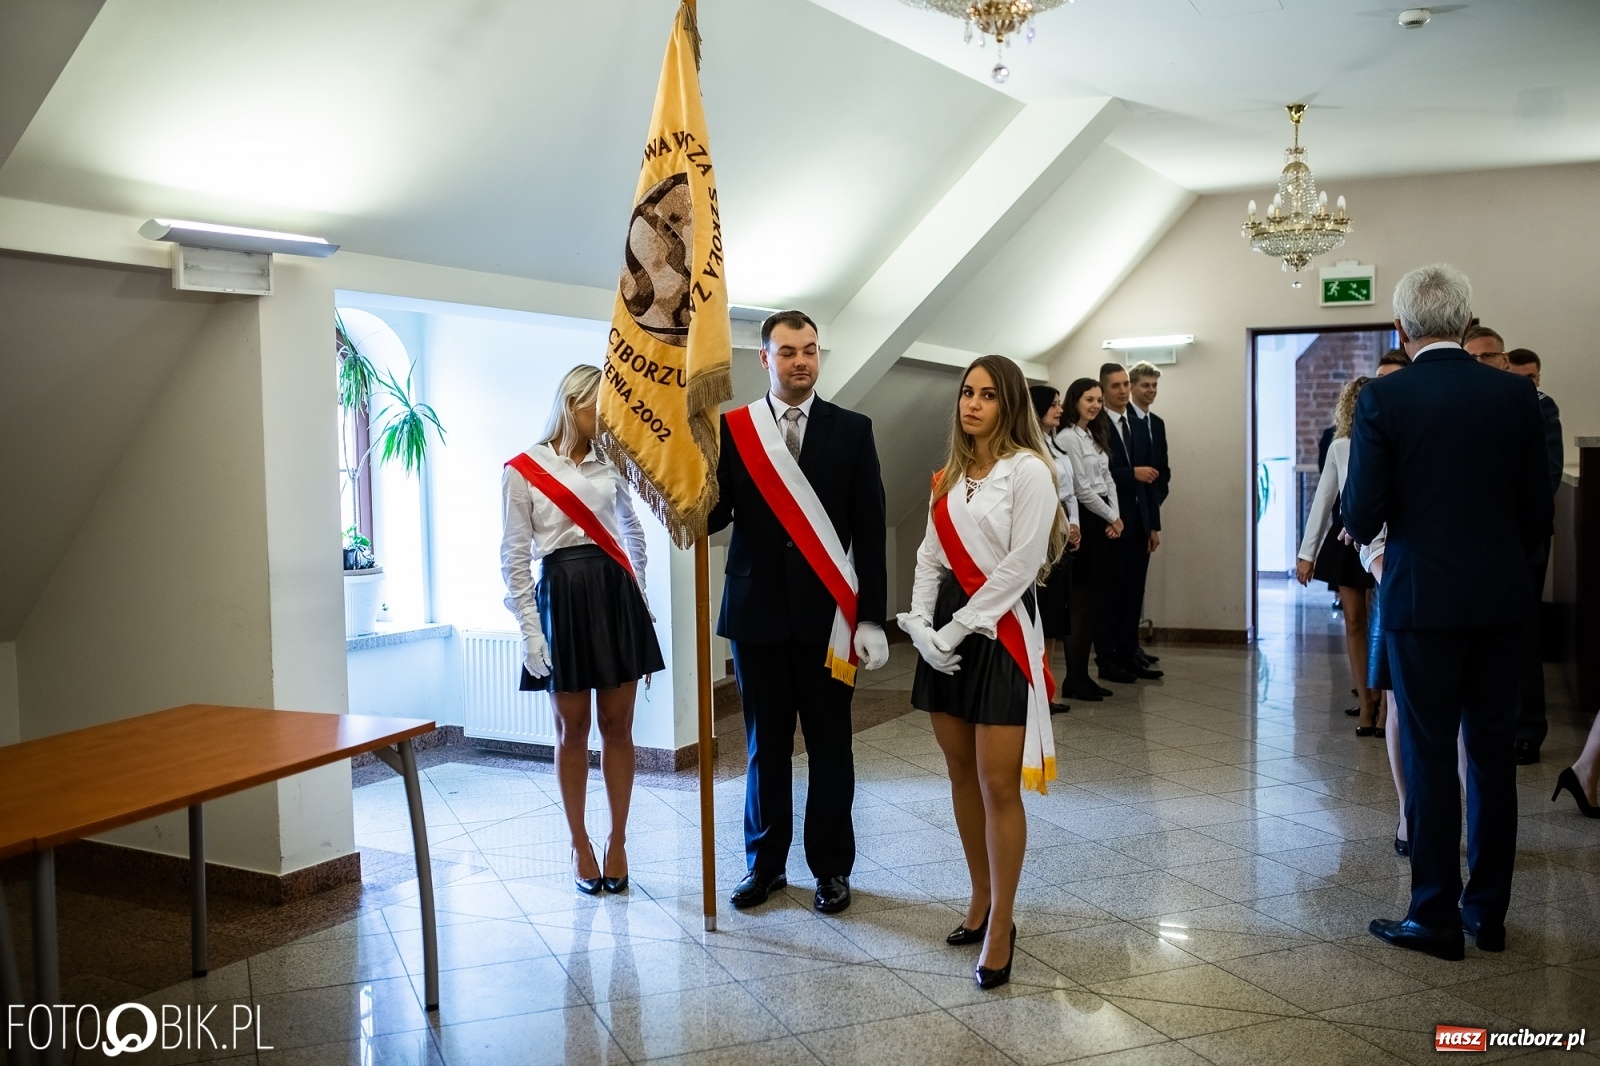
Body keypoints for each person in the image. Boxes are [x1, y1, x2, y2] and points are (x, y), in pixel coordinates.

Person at [1343, 264, 1551, 961]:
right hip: (1499, 598)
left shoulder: (1384, 400)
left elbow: (1363, 511)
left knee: (1429, 754)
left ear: (1400, 328)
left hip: (1420, 598)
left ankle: (1433, 914)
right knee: (1491, 757)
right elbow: (1536, 514)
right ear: (1468, 325)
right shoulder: (1516, 396)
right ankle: (1487, 912)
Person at [707, 309, 890, 915]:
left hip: (829, 620)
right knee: (764, 746)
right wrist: (679, 476)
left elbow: (869, 529)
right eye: (788, 352)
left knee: (832, 745)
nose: (802, 361)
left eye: (810, 350)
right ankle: (764, 865)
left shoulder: (852, 429)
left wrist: (870, 616)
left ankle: (832, 869)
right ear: (764, 359)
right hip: (756, 614)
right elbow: (714, 517)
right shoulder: (735, 430)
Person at [899, 354, 1067, 990]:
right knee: (960, 774)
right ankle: (980, 898)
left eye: (987, 395)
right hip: (946, 634)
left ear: (1010, 403)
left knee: (1000, 784)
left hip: (997, 632)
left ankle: (1004, 923)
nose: (972, 404)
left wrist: (955, 628)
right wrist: (920, 625)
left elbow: (1021, 564)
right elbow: (928, 557)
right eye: (966, 393)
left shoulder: (1030, 471)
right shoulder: (948, 476)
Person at [500, 364, 664, 895]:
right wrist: (530, 630)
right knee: (571, 731)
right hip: (563, 597)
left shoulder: (610, 463)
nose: (609, 418)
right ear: (573, 405)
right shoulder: (523, 470)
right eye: (601, 408)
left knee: (618, 728)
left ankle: (617, 840)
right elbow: (515, 556)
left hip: (612, 594)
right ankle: (580, 843)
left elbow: (632, 530)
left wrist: (638, 596)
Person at [1297, 378, 1381, 735]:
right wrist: (1306, 552)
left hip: (1386, 541)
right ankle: (1366, 700)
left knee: (1384, 624)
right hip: (1349, 540)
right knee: (1354, 621)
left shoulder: (1390, 440)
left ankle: (1388, 703)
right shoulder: (1340, 446)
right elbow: (1324, 498)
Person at [1505, 347, 1563, 765]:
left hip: (1522, 539)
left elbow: (1548, 474)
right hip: (1485, 542)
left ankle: (1527, 729)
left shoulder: (1539, 407)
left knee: (1525, 636)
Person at [1096, 363, 1163, 683]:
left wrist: (1153, 525)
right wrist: (1130, 473)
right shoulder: (1097, 427)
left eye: (1125, 385)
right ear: (1104, 390)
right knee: (1112, 591)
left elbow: (1149, 480)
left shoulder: (1136, 425)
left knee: (1135, 590)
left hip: (1138, 521)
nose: (1123, 391)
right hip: (1112, 522)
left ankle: (1128, 649)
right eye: (1116, 386)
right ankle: (1107, 657)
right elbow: (1095, 477)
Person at [1056, 378, 1121, 702]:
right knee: (1080, 603)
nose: (1095, 405)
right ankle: (1075, 677)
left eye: (1098, 400)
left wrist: (1115, 515)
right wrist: (1111, 516)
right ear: (1074, 401)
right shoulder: (1067, 437)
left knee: (1095, 601)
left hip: (1103, 517)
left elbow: (1108, 479)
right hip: (1087, 516)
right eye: (1089, 399)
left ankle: (1084, 676)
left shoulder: (1093, 434)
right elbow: (1081, 489)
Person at [1030, 385, 1082, 714]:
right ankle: (1037, 691)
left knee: (1053, 619)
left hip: (1061, 536)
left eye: (1060, 403)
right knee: (1042, 617)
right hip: (1044, 537)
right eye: (1053, 405)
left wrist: (1073, 524)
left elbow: (1069, 492)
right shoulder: (1030, 447)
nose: (1059, 410)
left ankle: (1047, 690)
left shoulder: (1054, 442)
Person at [1128, 362, 1168, 669]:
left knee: (1137, 586)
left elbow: (1162, 472)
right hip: (1129, 512)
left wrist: (1153, 516)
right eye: (1145, 386)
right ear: (1132, 387)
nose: (1151, 391)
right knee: (1124, 589)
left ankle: (1134, 647)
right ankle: (1124, 650)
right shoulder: (1125, 421)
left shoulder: (1157, 422)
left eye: (1154, 386)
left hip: (1148, 509)